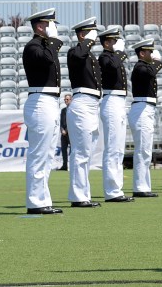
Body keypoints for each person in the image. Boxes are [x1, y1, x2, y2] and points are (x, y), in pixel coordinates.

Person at [22, 8, 63, 215]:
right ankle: (35, 201)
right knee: (39, 154)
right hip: (40, 100)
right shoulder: (33, 46)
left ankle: (42, 199)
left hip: (51, 101)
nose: (53, 28)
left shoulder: (46, 46)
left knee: (47, 155)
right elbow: (46, 59)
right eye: (49, 24)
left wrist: (53, 41)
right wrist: (54, 40)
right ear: (40, 26)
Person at [66, 17, 102, 208]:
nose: (94, 38)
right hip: (81, 102)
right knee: (80, 153)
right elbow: (79, 54)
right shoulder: (75, 52)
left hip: (93, 104)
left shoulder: (89, 55)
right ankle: (78, 196)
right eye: (90, 32)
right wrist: (87, 40)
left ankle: (83, 194)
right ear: (82, 34)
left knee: (87, 152)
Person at [98, 27, 134, 202]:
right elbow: (112, 66)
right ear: (106, 43)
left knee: (118, 149)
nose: (116, 43)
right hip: (111, 100)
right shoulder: (105, 58)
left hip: (119, 101)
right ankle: (112, 191)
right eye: (113, 41)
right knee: (113, 148)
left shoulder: (113, 57)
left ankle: (117, 189)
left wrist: (119, 53)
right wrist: (119, 52)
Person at [128, 38, 162, 197]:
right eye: (150, 51)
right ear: (142, 53)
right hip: (141, 108)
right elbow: (150, 72)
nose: (152, 53)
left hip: (146, 108)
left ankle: (144, 186)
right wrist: (157, 61)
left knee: (146, 150)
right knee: (143, 150)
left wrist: (156, 61)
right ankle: (140, 187)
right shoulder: (140, 67)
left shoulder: (145, 66)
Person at [59, 94, 71, 171]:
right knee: (63, 149)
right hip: (63, 134)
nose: (66, 101)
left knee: (73, 150)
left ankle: (73, 165)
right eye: (65, 99)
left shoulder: (73, 109)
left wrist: (66, 130)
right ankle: (64, 165)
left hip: (71, 133)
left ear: (71, 100)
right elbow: (61, 121)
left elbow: (71, 121)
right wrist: (61, 129)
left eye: (67, 99)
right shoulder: (63, 110)